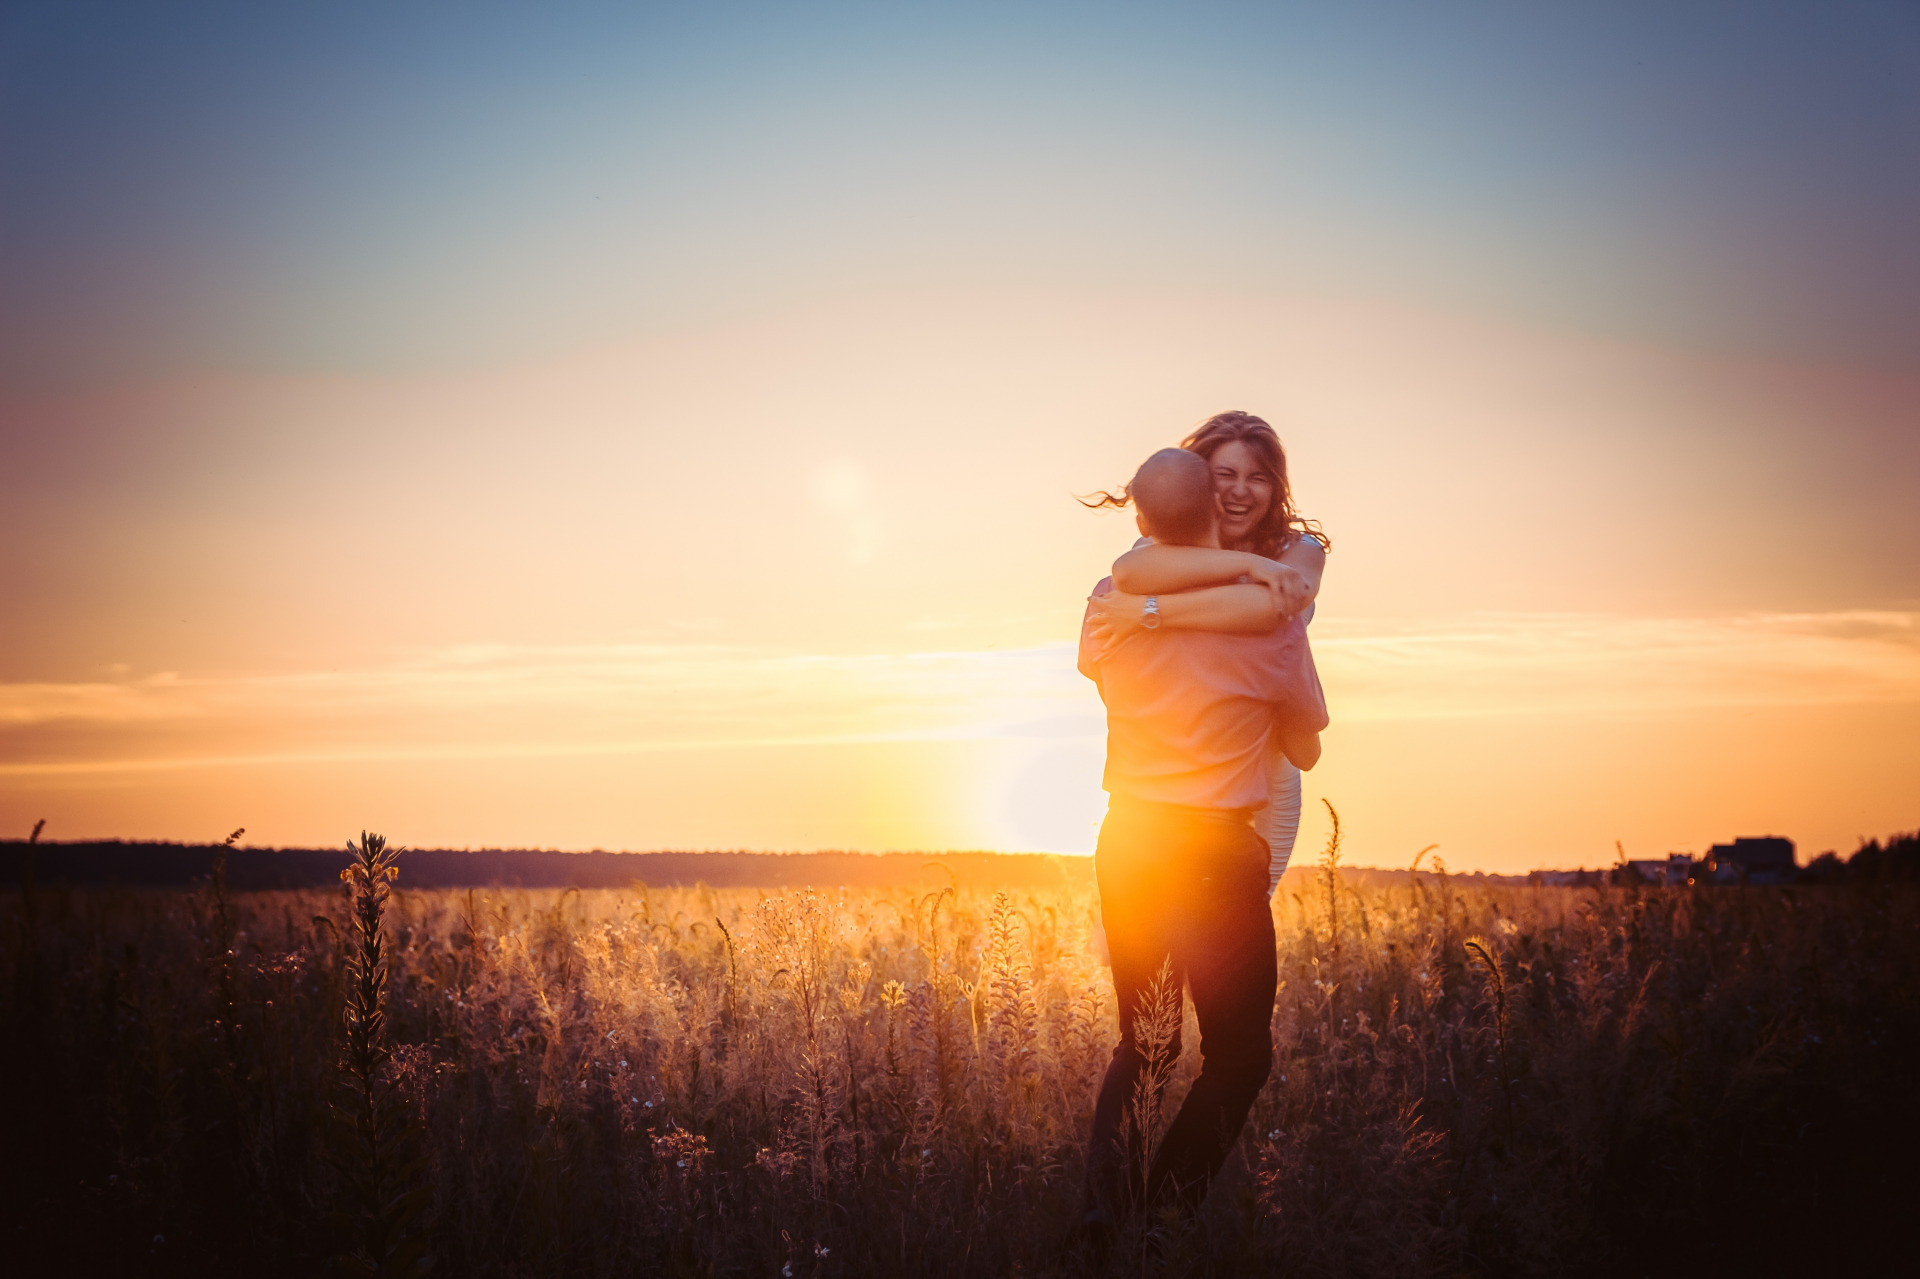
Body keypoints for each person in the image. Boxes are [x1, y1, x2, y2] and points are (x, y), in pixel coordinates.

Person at [1076, 446, 1328, 1235]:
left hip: (1129, 841)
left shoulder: (1105, 601)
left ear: (1143, 520)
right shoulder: (1270, 626)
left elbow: (1097, 664)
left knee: (1145, 1043)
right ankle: (1160, 1217)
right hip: (1214, 853)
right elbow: (1307, 744)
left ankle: (1099, 1229)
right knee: (1241, 1054)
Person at [1085, 409, 1330, 893]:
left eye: (1258, 477)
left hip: (1269, 770)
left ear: (1275, 487)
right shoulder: (1152, 552)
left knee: (1246, 909)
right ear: (1200, 482)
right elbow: (1126, 576)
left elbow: (1269, 610)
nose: (1241, 490)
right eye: (1225, 475)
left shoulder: (1299, 551)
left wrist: (1148, 614)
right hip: (1176, 764)